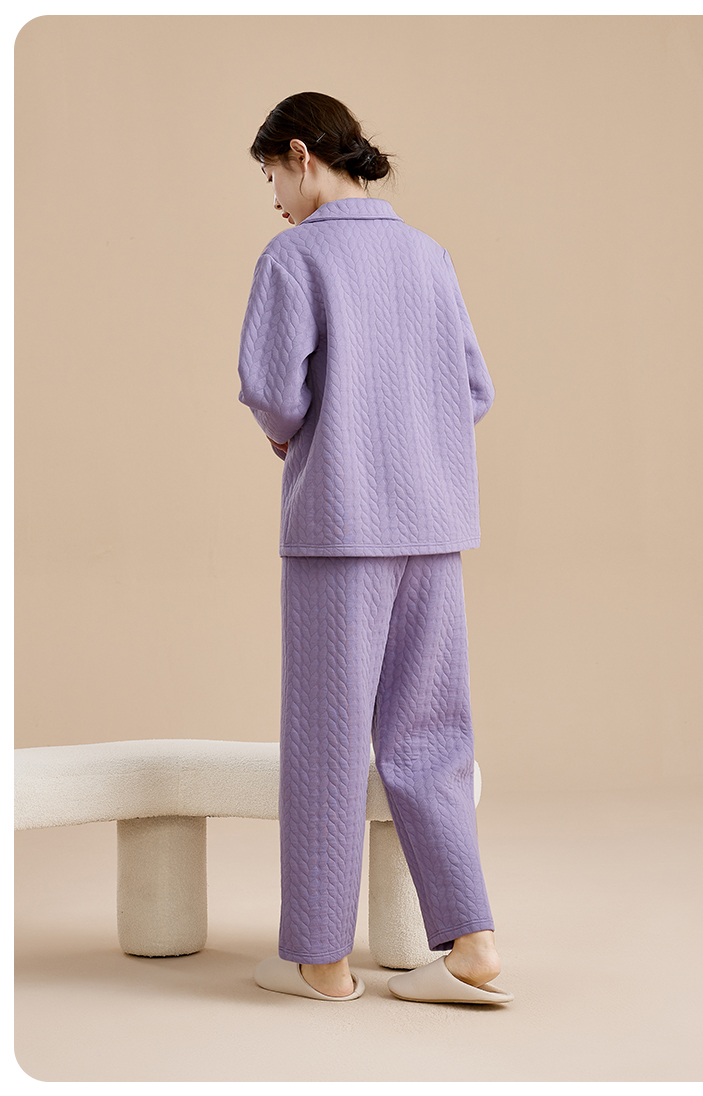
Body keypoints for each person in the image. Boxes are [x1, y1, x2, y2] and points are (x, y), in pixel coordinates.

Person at [237, 92, 513, 1005]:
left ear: (300, 154)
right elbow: (473, 389)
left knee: (327, 738)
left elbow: (273, 392)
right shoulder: (429, 255)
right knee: (433, 736)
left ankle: (322, 959)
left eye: (272, 178)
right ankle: (471, 943)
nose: (276, 201)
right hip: (434, 529)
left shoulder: (293, 257)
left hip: (340, 530)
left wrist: (295, 435)